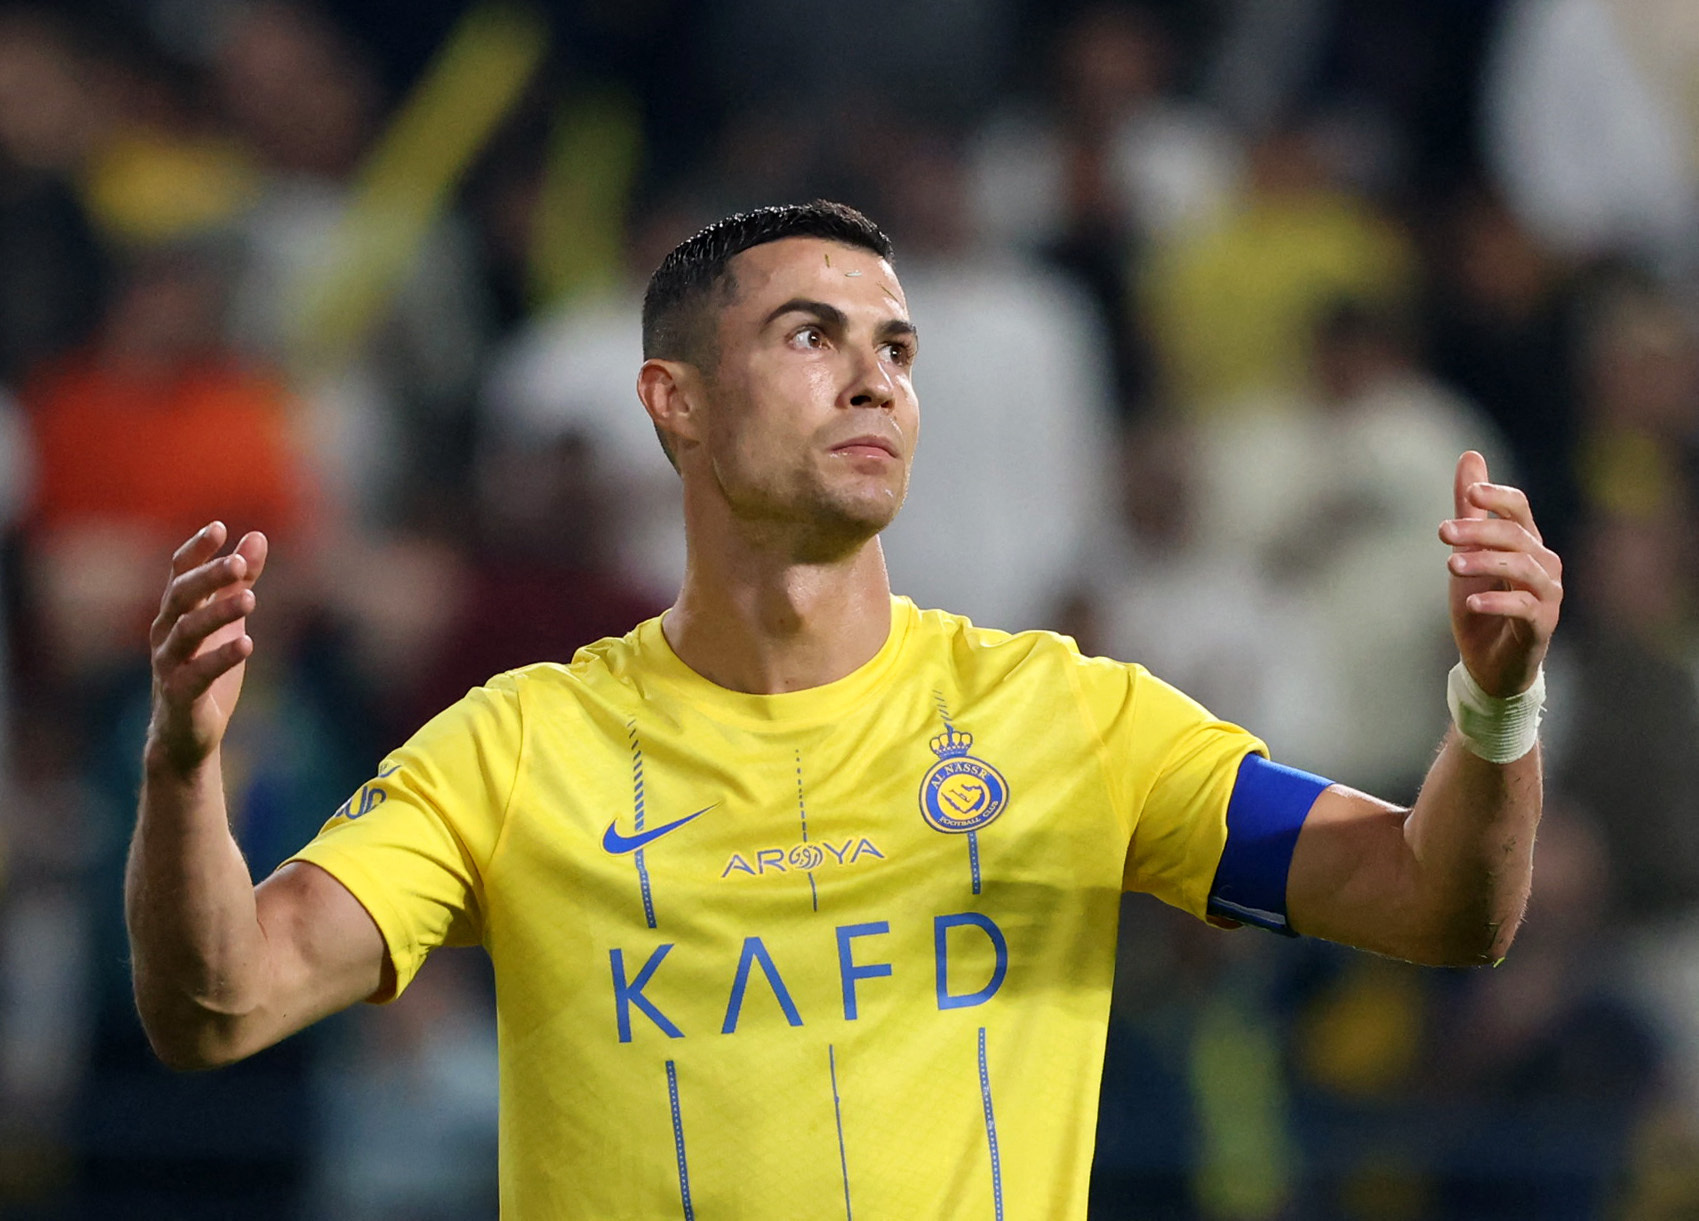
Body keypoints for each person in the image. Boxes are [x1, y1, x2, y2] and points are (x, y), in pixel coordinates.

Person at [127, 201, 1562, 1218]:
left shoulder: (1066, 718)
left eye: (897, 345)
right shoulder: (517, 748)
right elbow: (223, 1002)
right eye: (812, 335)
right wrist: (187, 769)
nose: (875, 373)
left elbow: (1440, 903)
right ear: (672, 400)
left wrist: (1495, 703)